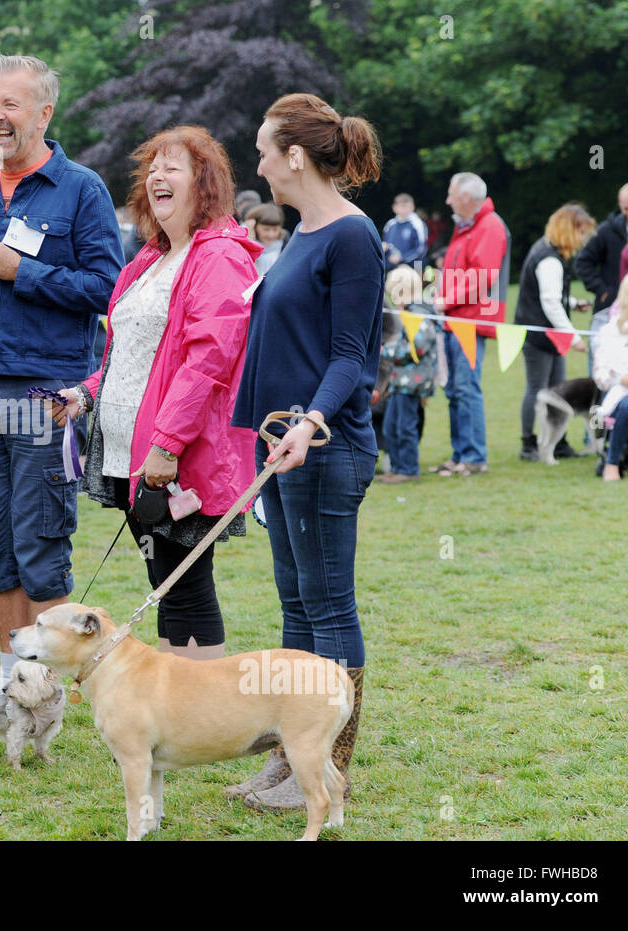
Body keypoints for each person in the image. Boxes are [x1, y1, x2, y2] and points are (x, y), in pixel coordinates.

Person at [0, 53, 124, 685]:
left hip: (48, 396)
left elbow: (109, 289)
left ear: (44, 113)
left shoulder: (84, 189)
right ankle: (9, 677)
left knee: (40, 542)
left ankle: (52, 685)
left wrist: (26, 273)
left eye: (10, 104)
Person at [228, 92, 383, 812]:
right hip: (284, 450)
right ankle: (293, 758)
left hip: (326, 447)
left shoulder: (352, 236)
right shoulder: (303, 232)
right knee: (296, 607)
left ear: (294, 156)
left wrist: (311, 420)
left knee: (328, 606)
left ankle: (329, 774)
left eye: (264, 149)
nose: (257, 162)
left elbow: (351, 356)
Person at [55, 125, 260, 660]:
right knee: (163, 581)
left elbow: (208, 360)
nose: (157, 177)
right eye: (152, 168)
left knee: (185, 586)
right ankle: (178, 718)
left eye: (173, 167)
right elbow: (133, 357)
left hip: (176, 454)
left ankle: (199, 716)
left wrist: (166, 445)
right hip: (131, 452)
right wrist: (87, 392)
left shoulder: (218, 256)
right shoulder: (151, 258)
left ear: (205, 182)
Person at [435, 172, 510, 477]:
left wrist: (445, 301)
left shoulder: (489, 226)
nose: (448, 200)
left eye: (452, 194)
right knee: (455, 390)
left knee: (466, 388)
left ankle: (475, 457)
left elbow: (484, 275)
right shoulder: (466, 227)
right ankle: (460, 455)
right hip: (456, 320)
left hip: (469, 321)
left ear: (466, 197)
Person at [515, 204, 596, 462]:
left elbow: (553, 296)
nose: (583, 239)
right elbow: (549, 302)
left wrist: (572, 303)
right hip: (540, 335)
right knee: (538, 389)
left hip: (549, 335)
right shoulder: (549, 259)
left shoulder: (550, 251)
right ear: (569, 230)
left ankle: (558, 442)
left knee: (557, 392)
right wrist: (573, 336)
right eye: (581, 233)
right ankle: (528, 444)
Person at [374, 265, 438, 483]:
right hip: (399, 381)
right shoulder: (409, 312)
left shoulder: (419, 315)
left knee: (405, 427)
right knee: (391, 425)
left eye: (395, 295)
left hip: (413, 382)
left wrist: (386, 351)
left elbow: (416, 347)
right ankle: (398, 467)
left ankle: (409, 470)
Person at [575, 180, 628, 314]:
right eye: (626, 209)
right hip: (613, 306)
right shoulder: (606, 231)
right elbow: (582, 261)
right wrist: (603, 291)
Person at [595, 315, 628, 481]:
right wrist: (622, 379)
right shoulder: (617, 349)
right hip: (622, 392)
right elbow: (607, 374)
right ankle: (612, 462)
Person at [381, 193, 428, 270]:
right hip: (393, 269)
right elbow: (386, 244)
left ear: (413, 207)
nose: (405, 209)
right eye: (402, 206)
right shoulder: (390, 224)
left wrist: (401, 258)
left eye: (408, 206)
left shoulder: (418, 224)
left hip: (414, 268)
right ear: (394, 207)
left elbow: (421, 249)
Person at [246, 202, 285, 275]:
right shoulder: (246, 244)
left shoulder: (284, 243)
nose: (271, 235)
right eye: (266, 229)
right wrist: (250, 238)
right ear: (255, 227)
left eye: (275, 229)